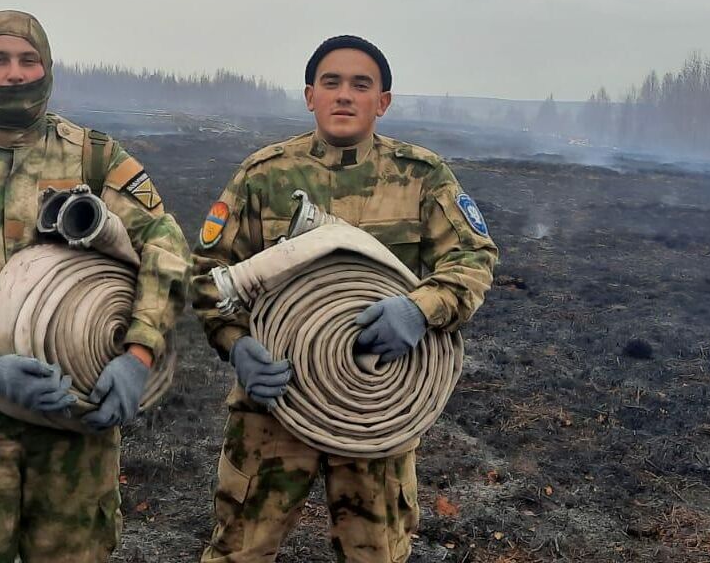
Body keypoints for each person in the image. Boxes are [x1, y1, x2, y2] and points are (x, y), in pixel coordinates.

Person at [0, 10, 191, 562]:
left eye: (28, 59)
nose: (14, 73)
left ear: (48, 69)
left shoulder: (95, 159)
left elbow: (164, 246)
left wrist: (137, 354)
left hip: (74, 418)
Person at [192, 35, 499, 562]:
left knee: (375, 555)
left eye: (361, 84)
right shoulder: (264, 176)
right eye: (331, 83)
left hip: (377, 408)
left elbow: (473, 260)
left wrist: (419, 309)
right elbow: (207, 273)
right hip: (274, 403)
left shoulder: (421, 176)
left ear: (383, 101)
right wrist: (237, 345)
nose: (344, 95)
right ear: (310, 95)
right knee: (239, 550)